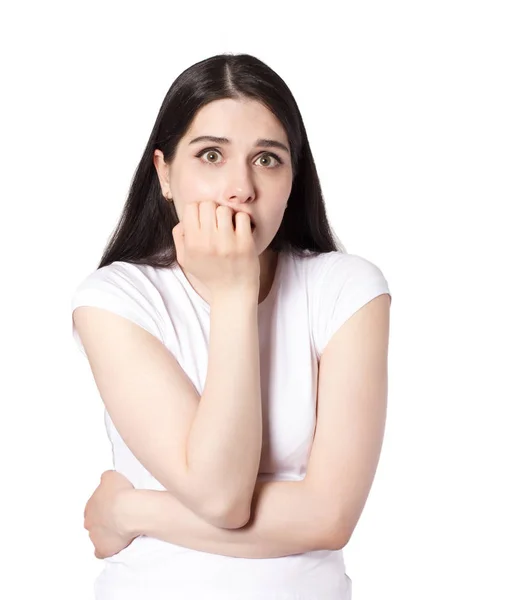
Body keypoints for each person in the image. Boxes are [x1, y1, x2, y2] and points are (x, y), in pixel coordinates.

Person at [71, 52, 392, 600]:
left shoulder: (347, 288)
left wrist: (131, 510)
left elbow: (330, 517)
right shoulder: (116, 298)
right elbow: (222, 494)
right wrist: (235, 294)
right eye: (211, 155)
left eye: (267, 159)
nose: (240, 187)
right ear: (164, 173)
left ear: (294, 179)